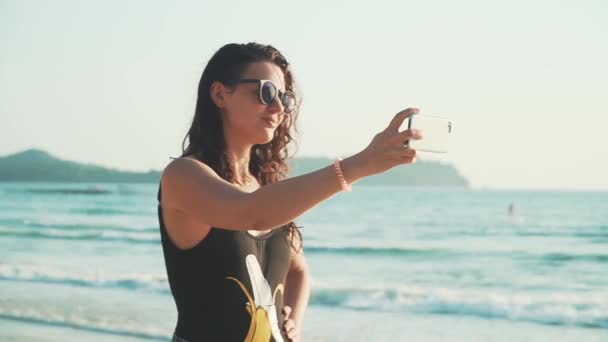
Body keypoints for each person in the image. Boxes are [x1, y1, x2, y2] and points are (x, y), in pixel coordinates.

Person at [157, 42, 422, 342]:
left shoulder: (268, 189)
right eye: (266, 92)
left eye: (284, 97)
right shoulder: (184, 176)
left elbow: (297, 272)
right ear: (220, 94)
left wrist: (292, 320)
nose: (279, 107)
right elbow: (250, 213)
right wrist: (359, 165)